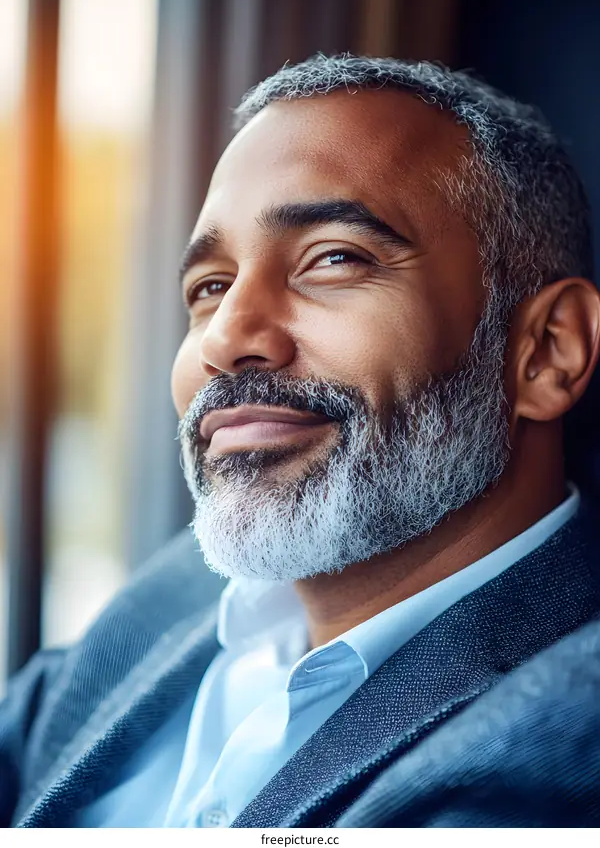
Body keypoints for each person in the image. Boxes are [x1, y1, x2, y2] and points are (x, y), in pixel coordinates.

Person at [2, 54, 600, 829]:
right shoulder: (173, 593)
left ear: (547, 349)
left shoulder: (558, 749)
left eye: (334, 258)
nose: (226, 337)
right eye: (209, 287)